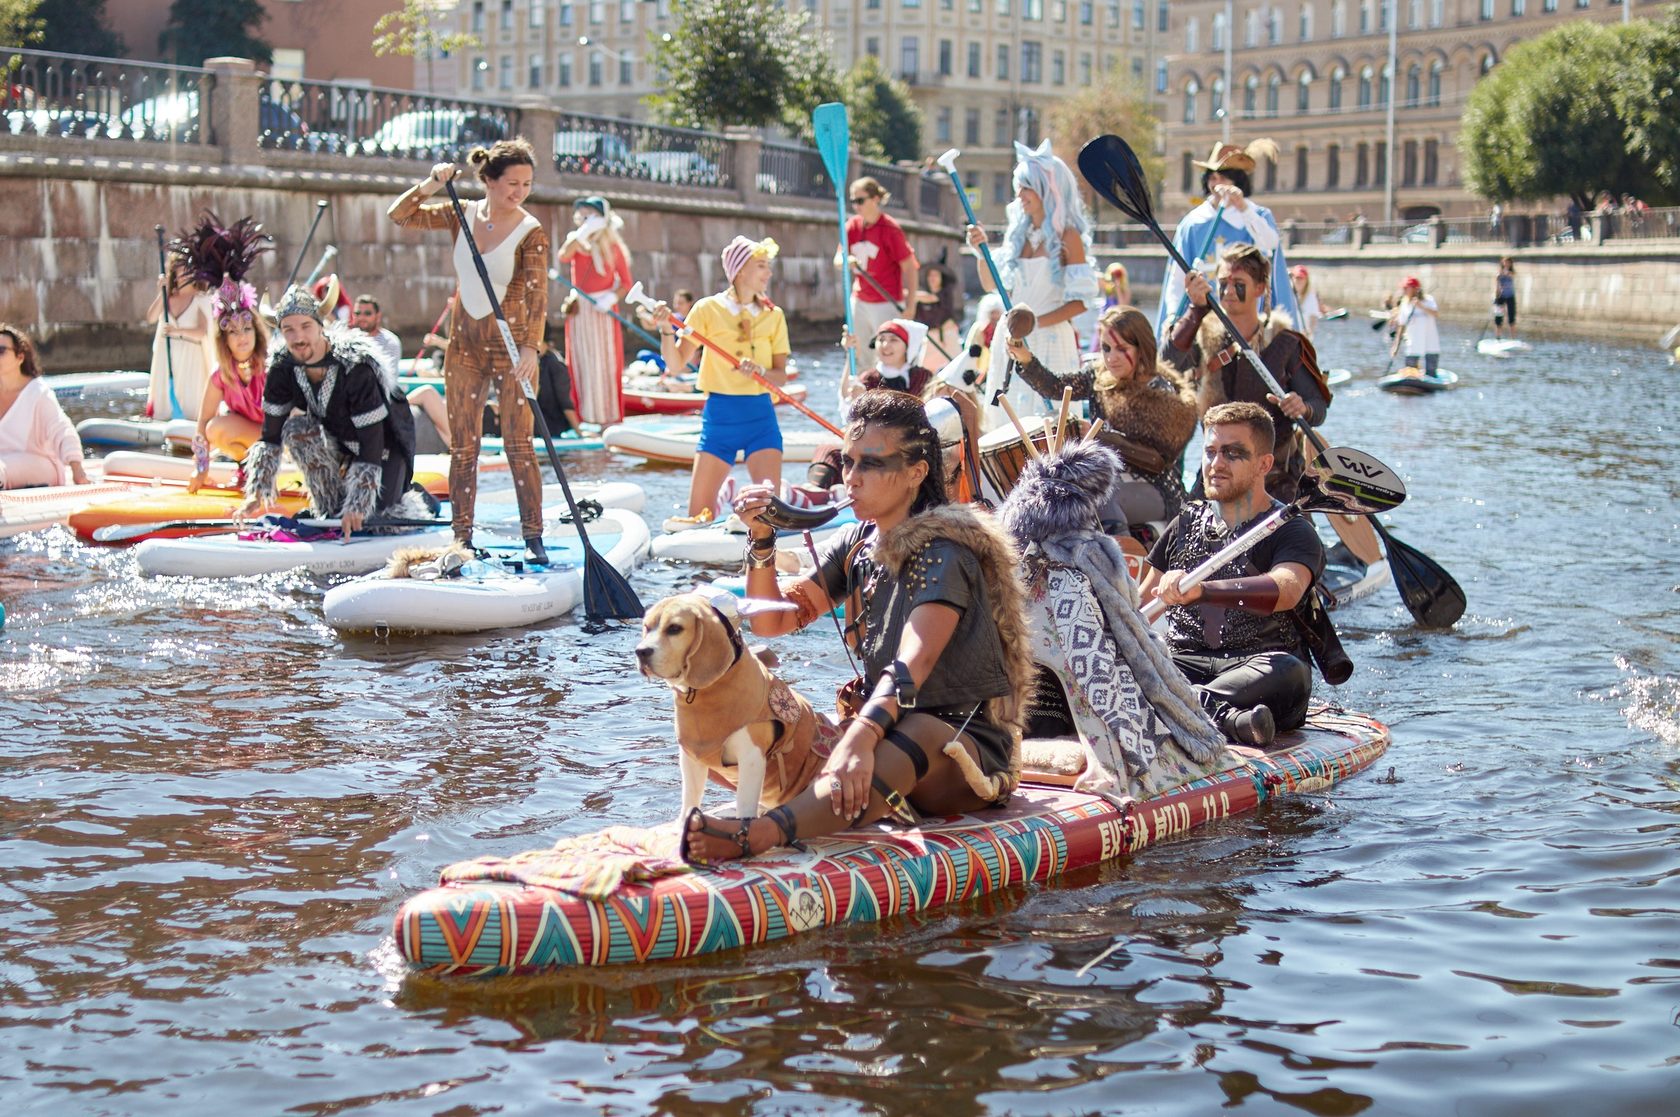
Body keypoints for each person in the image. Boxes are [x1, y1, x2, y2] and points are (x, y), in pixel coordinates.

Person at [680, 390, 1034, 863]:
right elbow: (769, 620)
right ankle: (827, 798)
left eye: (870, 464)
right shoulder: (857, 542)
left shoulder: (945, 552)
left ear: (916, 472)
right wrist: (761, 540)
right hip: (882, 731)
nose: (851, 478)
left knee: (925, 731)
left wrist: (859, 737)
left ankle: (761, 834)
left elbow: (916, 661)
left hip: (962, 753)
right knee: (764, 704)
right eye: (847, 462)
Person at [388, 138, 549, 562]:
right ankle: (462, 538)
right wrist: (430, 183)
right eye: (512, 183)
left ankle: (533, 535)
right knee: (464, 446)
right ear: (489, 181)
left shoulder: (530, 231)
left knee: (519, 443)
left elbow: (537, 296)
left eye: (526, 184)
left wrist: (532, 348)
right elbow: (400, 215)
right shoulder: (460, 213)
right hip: (463, 348)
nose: (519, 192)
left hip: (512, 349)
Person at [1137, 402, 1326, 748]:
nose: (1216, 464)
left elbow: (1286, 589)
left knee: (1290, 672)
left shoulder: (1292, 530)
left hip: (1258, 668)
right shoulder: (1185, 523)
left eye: (1233, 453)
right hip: (1183, 662)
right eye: (1210, 452)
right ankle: (1226, 720)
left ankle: (1179, 707)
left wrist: (1203, 590)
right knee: (1134, 663)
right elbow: (1140, 606)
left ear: (1263, 464)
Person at [240, 287, 421, 535]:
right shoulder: (283, 367)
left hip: (384, 446)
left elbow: (373, 440)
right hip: (340, 445)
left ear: (320, 325)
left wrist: (358, 505)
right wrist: (257, 493)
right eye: (288, 329)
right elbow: (271, 435)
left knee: (381, 522)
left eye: (305, 326)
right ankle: (329, 506)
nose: (298, 337)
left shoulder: (355, 367)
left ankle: (414, 496)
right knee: (296, 430)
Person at [1165, 243, 1330, 504]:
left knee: (1296, 535)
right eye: (1223, 283)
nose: (1228, 291)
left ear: (1260, 288)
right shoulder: (1202, 336)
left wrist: (1303, 407)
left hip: (1275, 476)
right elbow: (1167, 365)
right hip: (1217, 471)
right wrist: (1195, 310)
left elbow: (1318, 408)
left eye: (1238, 283)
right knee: (1186, 530)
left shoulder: (1285, 342)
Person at [1008, 305, 1199, 528]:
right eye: (1106, 348)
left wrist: (1101, 436)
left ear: (1142, 348)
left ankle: (1118, 557)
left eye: (1121, 348)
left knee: (1093, 497)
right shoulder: (1098, 377)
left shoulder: (1161, 392)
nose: (1111, 358)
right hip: (1109, 479)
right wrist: (1024, 357)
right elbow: (1054, 386)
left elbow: (1155, 462)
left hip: (1157, 488)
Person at [652, 235, 791, 532]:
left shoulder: (774, 316)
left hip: (761, 419)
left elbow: (781, 375)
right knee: (697, 515)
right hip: (719, 419)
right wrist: (666, 330)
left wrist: (761, 371)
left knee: (770, 515)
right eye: (762, 266)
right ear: (740, 270)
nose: (768, 273)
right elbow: (675, 366)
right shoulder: (706, 310)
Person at [967, 139, 1100, 430]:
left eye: (1027, 186)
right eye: (1019, 187)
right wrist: (981, 252)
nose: (1020, 194)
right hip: (1012, 336)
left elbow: (1081, 303)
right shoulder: (1019, 235)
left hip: (1049, 337)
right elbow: (992, 285)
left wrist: (1034, 323)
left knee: (1046, 426)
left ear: (1046, 190)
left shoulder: (1068, 236)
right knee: (1006, 422)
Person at [1155, 140, 1301, 342]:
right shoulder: (1192, 223)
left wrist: (1243, 208)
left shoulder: (1256, 215)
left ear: (1237, 182)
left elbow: (1271, 244)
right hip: (1202, 319)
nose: (1217, 184)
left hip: (1245, 317)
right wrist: (1173, 316)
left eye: (1223, 177)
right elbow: (1177, 277)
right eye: (1212, 178)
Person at [556, 195, 633, 426]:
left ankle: (607, 416)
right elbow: (563, 256)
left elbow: (626, 283)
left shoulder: (613, 246)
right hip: (581, 311)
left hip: (604, 312)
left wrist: (610, 298)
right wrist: (582, 233)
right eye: (584, 214)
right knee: (581, 361)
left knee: (604, 362)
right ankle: (584, 415)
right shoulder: (577, 242)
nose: (587, 218)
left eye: (592, 214)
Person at [0, 323, 89, 489]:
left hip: (41, 464)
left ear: (20, 357)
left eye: (1, 351)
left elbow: (62, 429)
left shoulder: (38, 392)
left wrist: (77, 470)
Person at [843, 177, 919, 343]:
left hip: (887, 303)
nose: (856, 206)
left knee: (886, 353)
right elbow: (838, 258)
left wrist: (911, 306)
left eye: (860, 200)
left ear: (875, 199)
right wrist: (845, 260)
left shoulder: (890, 229)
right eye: (853, 201)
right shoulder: (851, 226)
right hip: (859, 300)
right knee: (857, 352)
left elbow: (910, 267)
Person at [143, 250, 216, 422]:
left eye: (188, 269)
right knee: (164, 405)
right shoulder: (167, 296)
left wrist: (177, 332)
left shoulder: (201, 299)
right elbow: (151, 317)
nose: (184, 274)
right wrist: (164, 291)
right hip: (166, 356)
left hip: (191, 357)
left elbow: (202, 333)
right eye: (180, 269)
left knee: (189, 404)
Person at [839, 318, 934, 406]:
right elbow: (847, 397)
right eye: (881, 339)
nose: (885, 345)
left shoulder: (923, 377)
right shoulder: (868, 379)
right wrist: (850, 355)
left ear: (907, 347)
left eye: (893, 340)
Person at [911, 260, 961, 361]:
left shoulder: (946, 292)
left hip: (947, 336)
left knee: (953, 366)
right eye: (930, 275)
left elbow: (930, 298)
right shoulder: (920, 299)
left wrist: (909, 294)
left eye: (936, 275)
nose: (932, 278)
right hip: (930, 338)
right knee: (926, 369)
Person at [1391, 276, 1441, 374]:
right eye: (1403, 288)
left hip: (1430, 343)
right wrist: (1395, 346)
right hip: (1413, 344)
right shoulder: (1405, 304)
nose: (1404, 291)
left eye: (1406, 288)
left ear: (1415, 289)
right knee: (1410, 372)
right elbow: (1401, 325)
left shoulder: (1428, 300)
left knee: (1431, 372)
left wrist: (1421, 306)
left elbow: (1436, 314)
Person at [350, 295, 403, 374]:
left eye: (367, 313)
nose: (361, 317)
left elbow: (387, 378)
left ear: (378, 316)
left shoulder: (390, 342)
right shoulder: (347, 340)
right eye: (357, 313)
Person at [1291, 265, 1326, 340]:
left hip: (1304, 338)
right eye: (1297, 278)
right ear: (1292, 278)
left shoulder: (1311, 297)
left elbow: (1313, 318)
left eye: (1301, 278)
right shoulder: (1288, 294)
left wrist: (1309, 332)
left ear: (1306, 280)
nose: (1299, 281)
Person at [1492, 257, 1518, 340]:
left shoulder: (1511, 272)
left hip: (1510, 296)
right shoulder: (1499, 273)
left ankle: (1513, 337)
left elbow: (1511, 275)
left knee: (1511, 317)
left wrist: (1505, 272)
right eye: (1505, 262)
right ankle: (1498, 337)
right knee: (1498, 318)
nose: (1506, 264)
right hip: (1500, 296)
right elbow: (1497, 283)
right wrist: (1496, 295)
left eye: (1508, 262)